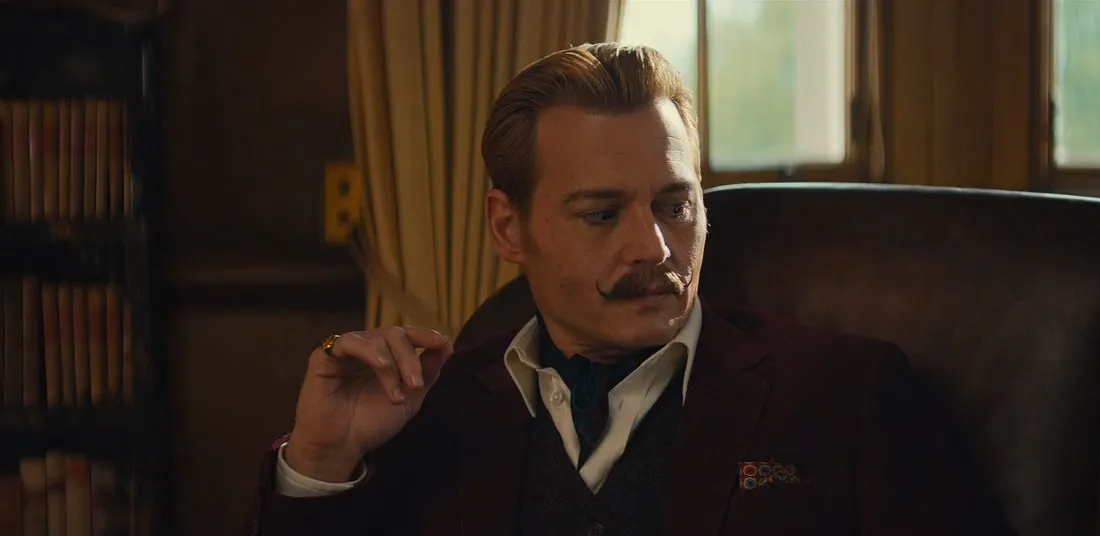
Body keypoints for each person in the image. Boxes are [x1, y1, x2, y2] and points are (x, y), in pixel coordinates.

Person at [246, 43, 1009, 535]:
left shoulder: (849, 395)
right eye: (602, 214)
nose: (654, 247)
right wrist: (321, 460)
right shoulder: (432, 410)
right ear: (508, 228)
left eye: (675, 205)